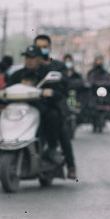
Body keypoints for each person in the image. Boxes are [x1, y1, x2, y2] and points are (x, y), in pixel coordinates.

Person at [8, 41, 76, 180]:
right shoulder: (17, 74)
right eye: (27, 57)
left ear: (40, 57)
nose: (29, 60)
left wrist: (50, 93)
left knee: (55, 120)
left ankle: (62, 158)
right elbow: (7, 88)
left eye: (32, 57)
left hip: (44, 109)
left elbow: (61, 89)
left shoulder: (53, 70)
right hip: (20, 109)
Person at [33, 35, 78, 180]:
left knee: (62, 131)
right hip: (34, 106)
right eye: (39, 47)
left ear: (50, 48)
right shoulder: (32, 66)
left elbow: (64, 85)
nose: (42, 50)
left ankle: (70, 166)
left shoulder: (59, 66)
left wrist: (53, 92)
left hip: (55, 106)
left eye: (45, 47)